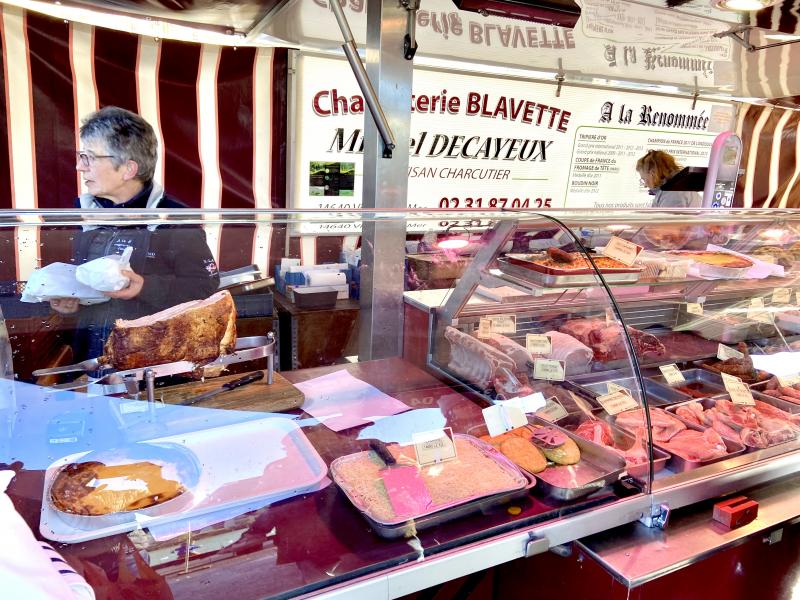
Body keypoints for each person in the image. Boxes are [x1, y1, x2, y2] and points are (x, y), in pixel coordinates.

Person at [50, 106, 220, 362]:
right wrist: (72, 302)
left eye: (88, 157)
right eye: (80, 156)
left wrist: (146, 286)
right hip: (91, 357)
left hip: (148, 364)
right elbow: (90, 283)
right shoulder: (85, 213)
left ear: (128, 169)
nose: (78, 166)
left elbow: (205, 286)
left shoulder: (173, 217)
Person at [635, 149, 701, 208]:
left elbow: (666, 221)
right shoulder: (678, 187)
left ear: (652, 174)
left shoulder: (672, 193)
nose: (645, 185)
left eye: (643, 179)